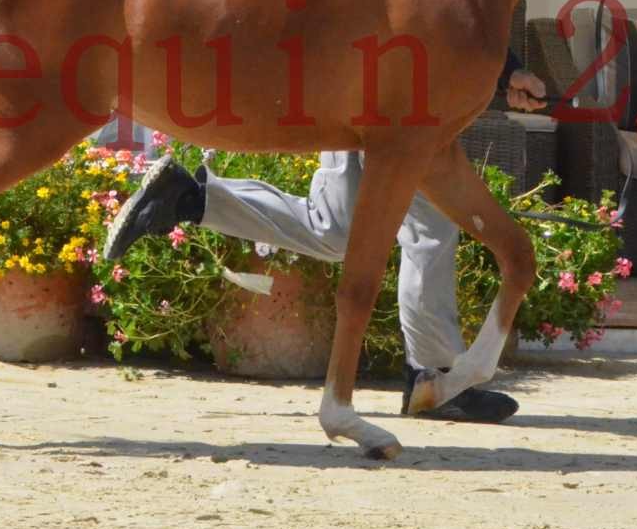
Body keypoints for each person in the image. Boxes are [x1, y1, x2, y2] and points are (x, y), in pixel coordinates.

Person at [105, 51, 547, 424]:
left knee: (379, 228)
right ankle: (435, 377)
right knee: (380, 229)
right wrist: (505, 72)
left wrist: (507, 73)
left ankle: (190, 199)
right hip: (387, 97)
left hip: (381, 92)